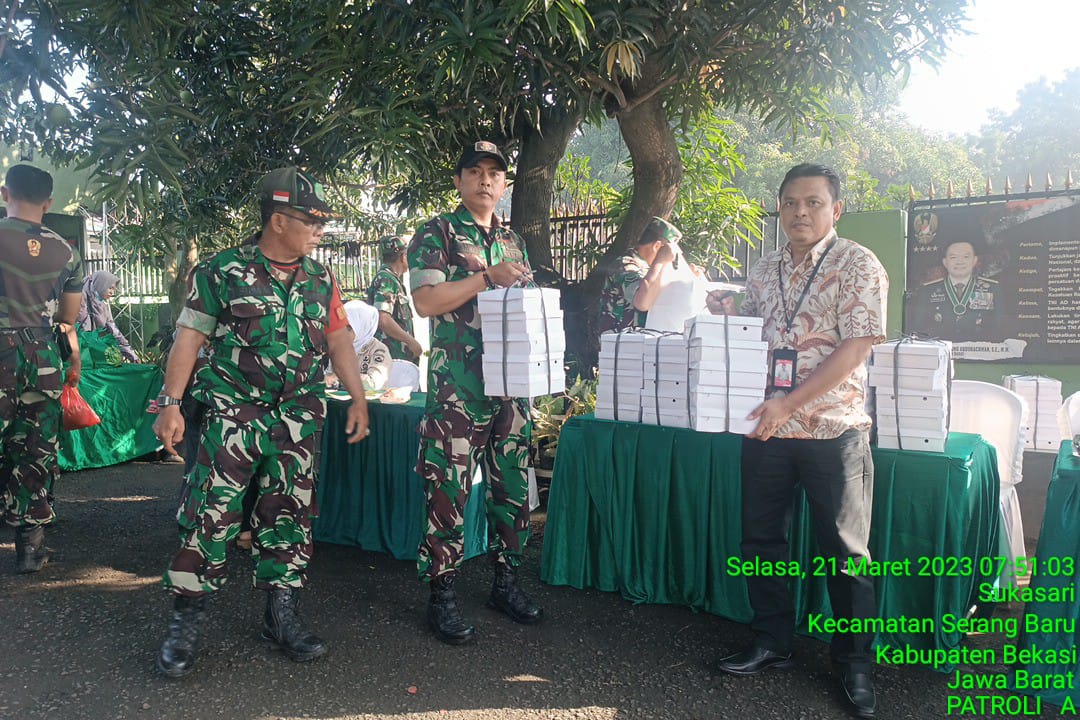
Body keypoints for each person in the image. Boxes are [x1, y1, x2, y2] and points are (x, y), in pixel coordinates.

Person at [151, 166, 371, 677]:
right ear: (277, 220)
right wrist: (170, 402)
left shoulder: (321, 277)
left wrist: (356, 397)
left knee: (289, 517)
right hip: (234, 416)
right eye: (310, 220)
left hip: (299, 420)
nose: (319, 230)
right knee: (210, 516)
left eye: (322, 223)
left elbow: (338, 338)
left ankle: (281, 613)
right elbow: (189, 338)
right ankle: (185, 619)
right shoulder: (222, 270)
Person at [707, 164, 887, 718]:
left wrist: (791, 401)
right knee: (761, 541)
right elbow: (757, 330)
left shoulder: (858, 264)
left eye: (812, 202)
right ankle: (772, 639)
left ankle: (854, 662)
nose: (800, 212)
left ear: (836, 209)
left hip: (833, 429)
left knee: (845, 551)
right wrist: (725, 313)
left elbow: (857, 347)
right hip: (767, 427)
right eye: (789, 203)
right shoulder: (765, 269)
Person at [408, 140, 542, 645]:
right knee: (448, 492)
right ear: (461, 181)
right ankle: (441, 594)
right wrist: (485, 278)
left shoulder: (513, 242)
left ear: (505, 185)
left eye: (495, 173)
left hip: (511, 386)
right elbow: (425, 302)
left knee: (512, 487)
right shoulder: (437, 232)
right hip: (458, 390)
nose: (486, 180)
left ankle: (506, 582)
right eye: (476, 172)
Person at [0, 164, 84, 573]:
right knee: (34, 449)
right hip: (43, 359)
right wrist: (74, 359)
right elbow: (68, 318)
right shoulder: (68, 252)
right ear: (49, 203)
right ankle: (30, 549)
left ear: (4, 194)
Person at [597, 216, 682, 334]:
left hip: (638, 344)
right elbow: (642, 302)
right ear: (657, 246)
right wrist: (661, 260)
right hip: (618, 346)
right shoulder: (625, 265)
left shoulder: (648, 269)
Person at [909, 239, 1005, 342]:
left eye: (966, 257)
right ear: (945, 262)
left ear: (975, 260)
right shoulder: (927, 291)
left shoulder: (993, 289)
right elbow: (919, 329)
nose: (960, 262)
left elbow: (1000, 327)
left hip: (979, 354)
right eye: (953, 257)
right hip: (940, 354)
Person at [367, 235, 422, 361]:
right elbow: (383, 319)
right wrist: (411, 342)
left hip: (396, 357)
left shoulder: (391, 279)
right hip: (392, 358)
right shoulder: (387, 280)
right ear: (403, 257)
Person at [326, 299, 393, 392]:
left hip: (372, 404)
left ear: (362, 326)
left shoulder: (378, 350)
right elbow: (328, 377)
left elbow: (374, 383)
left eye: (348, 328)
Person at [76, 270, 139, 362]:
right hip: (75, 351)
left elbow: (114, 331)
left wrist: (132, 354)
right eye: (110, 288)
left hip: (89, 351)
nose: (112, 292)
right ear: (101, 284)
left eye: (113, 289)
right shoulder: (79, 299)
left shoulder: (102, 306)